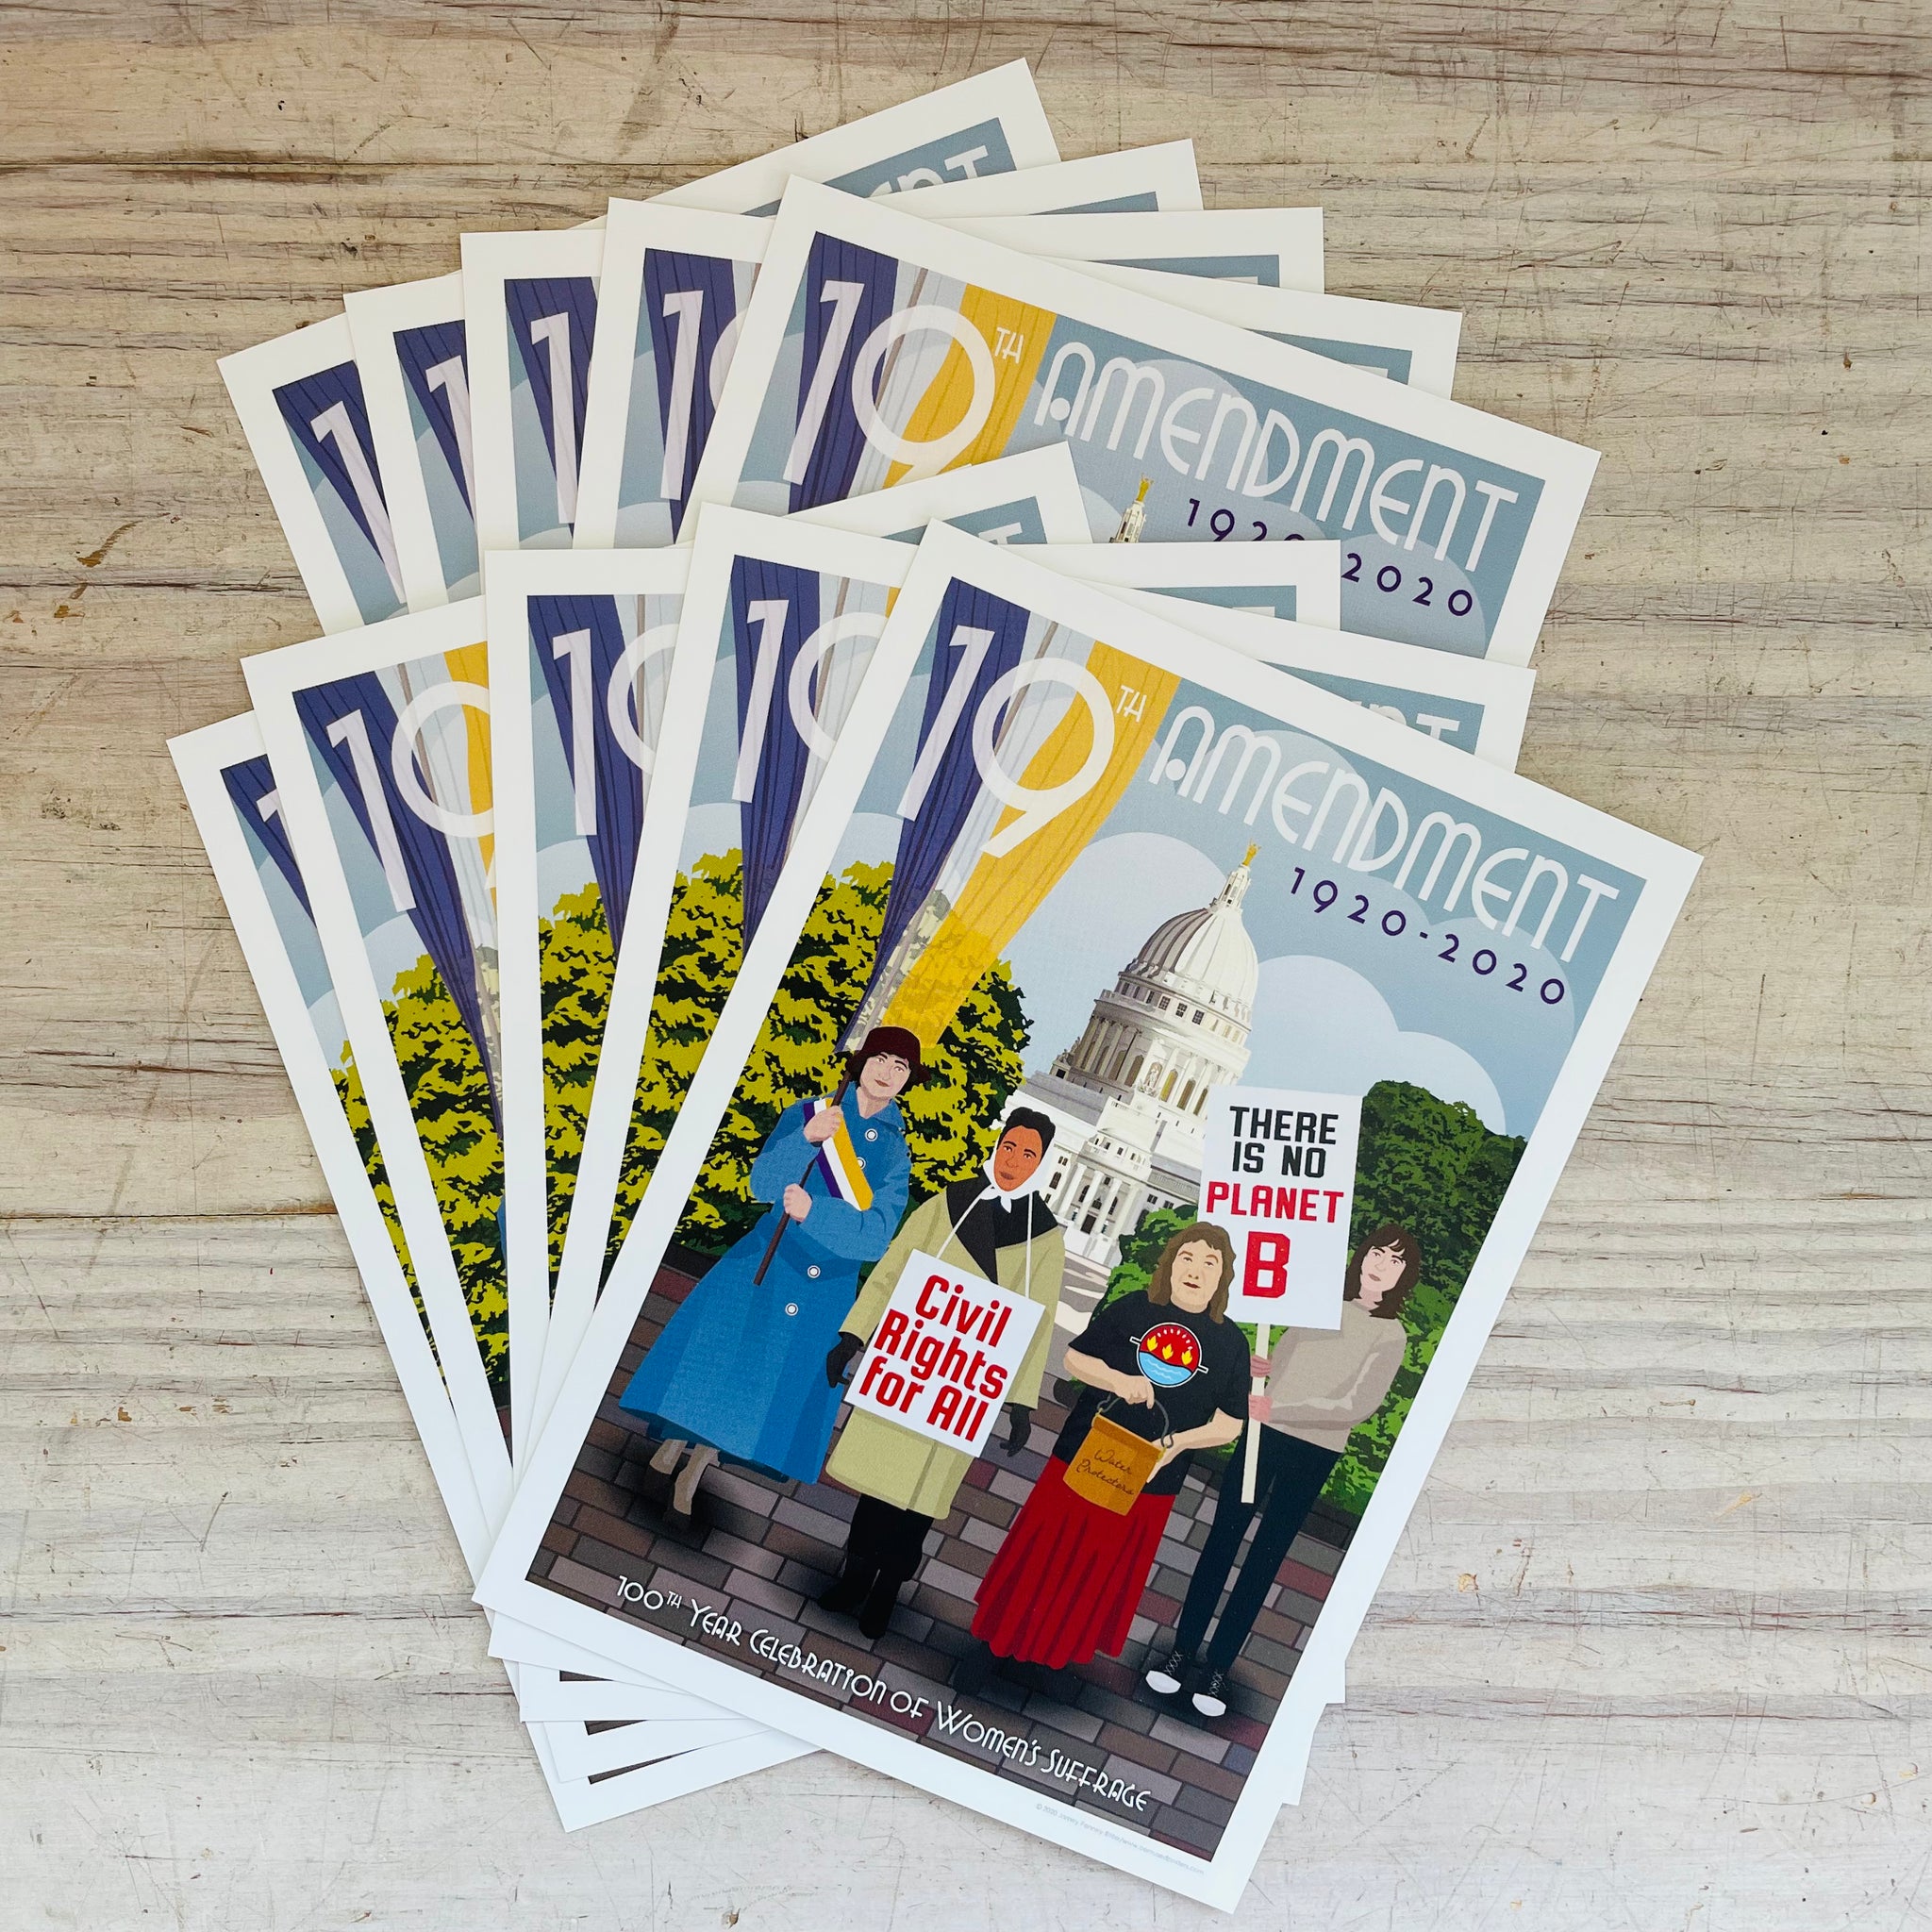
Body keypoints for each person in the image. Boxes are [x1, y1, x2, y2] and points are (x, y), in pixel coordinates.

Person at [616, 1027, 921, 1513]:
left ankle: (696, 1468)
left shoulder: (895, 1154)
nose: (887, 1072)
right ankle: (672, 1444)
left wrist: (814, 1213)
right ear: (861, 1062)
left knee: (760, 1388)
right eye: (880, 1058)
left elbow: (876, 1236)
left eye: (900, 1067)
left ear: (907, 1080)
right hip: (768, 1261)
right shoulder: (810, 1113)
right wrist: (805, 1139)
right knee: (723, 1361)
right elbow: (761, 1183)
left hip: (824, 1288)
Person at [954, 1224, 1248, 1693]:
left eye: (1209, 1263)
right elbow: (1074, 1359)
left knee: (1094, 1572)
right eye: (1187, 1257)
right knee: (1043, 1555)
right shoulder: (1134, 1307)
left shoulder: (1231, 1344)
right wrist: (1117, 1380)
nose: (1195, 1271)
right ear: (1171, 1264)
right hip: (1080, 1457)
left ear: (1223, 1277)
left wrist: (1175, 1444)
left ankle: (1050, 1659)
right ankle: (996, 1646)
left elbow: (1230, 1423)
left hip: (1149, 1482)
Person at [1147, 1223, 1420, 1718]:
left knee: (1264, 1559)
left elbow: (1357, 1405)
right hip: (1263, 1436)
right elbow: (1286, 1361)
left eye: (1395, 1261)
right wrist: (1265, 1369)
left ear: (1405, 1275)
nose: (1381, 1265)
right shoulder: (1318, 1305)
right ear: (1362, 1255)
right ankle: (1181, 1653)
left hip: (1313, 1450)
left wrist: (1282, 1408)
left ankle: (1217, 1669)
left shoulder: (1390, 1333)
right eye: (1378, 1252)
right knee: (1222, 1540)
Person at [818, 1108, 1066, 1640]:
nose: (1013, 1161)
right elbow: (893, 1270)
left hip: (961, 1388)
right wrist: (853, 1335)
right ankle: (854, 1578)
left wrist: (1021, 1403)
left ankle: (886, 1593)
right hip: (911, 1369)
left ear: (1042, 1163)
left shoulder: (1045, 1238)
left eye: (1028, 1154)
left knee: (919, 1504)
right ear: (996, 1146)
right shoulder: (949, 1202)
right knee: (879, 1488)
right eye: (1008, 1147)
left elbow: (1039, 1321)